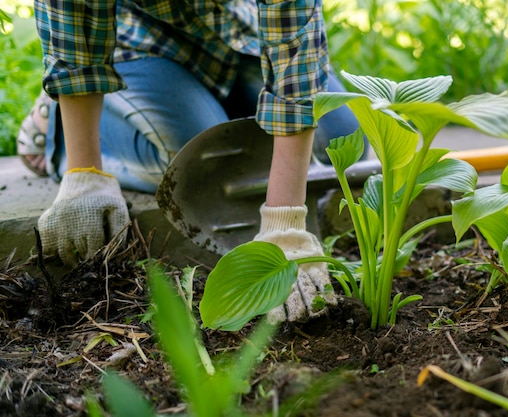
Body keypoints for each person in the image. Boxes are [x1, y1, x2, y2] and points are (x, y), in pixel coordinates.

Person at [20, 0, 361, 323]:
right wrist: (85, 171)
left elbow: (296, 51)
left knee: (342, 141)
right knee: (195, 164)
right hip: (139, 41)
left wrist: (285, 225)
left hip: (233, 32)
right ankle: (60, 125)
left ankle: (199, 108)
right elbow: (73, 14)